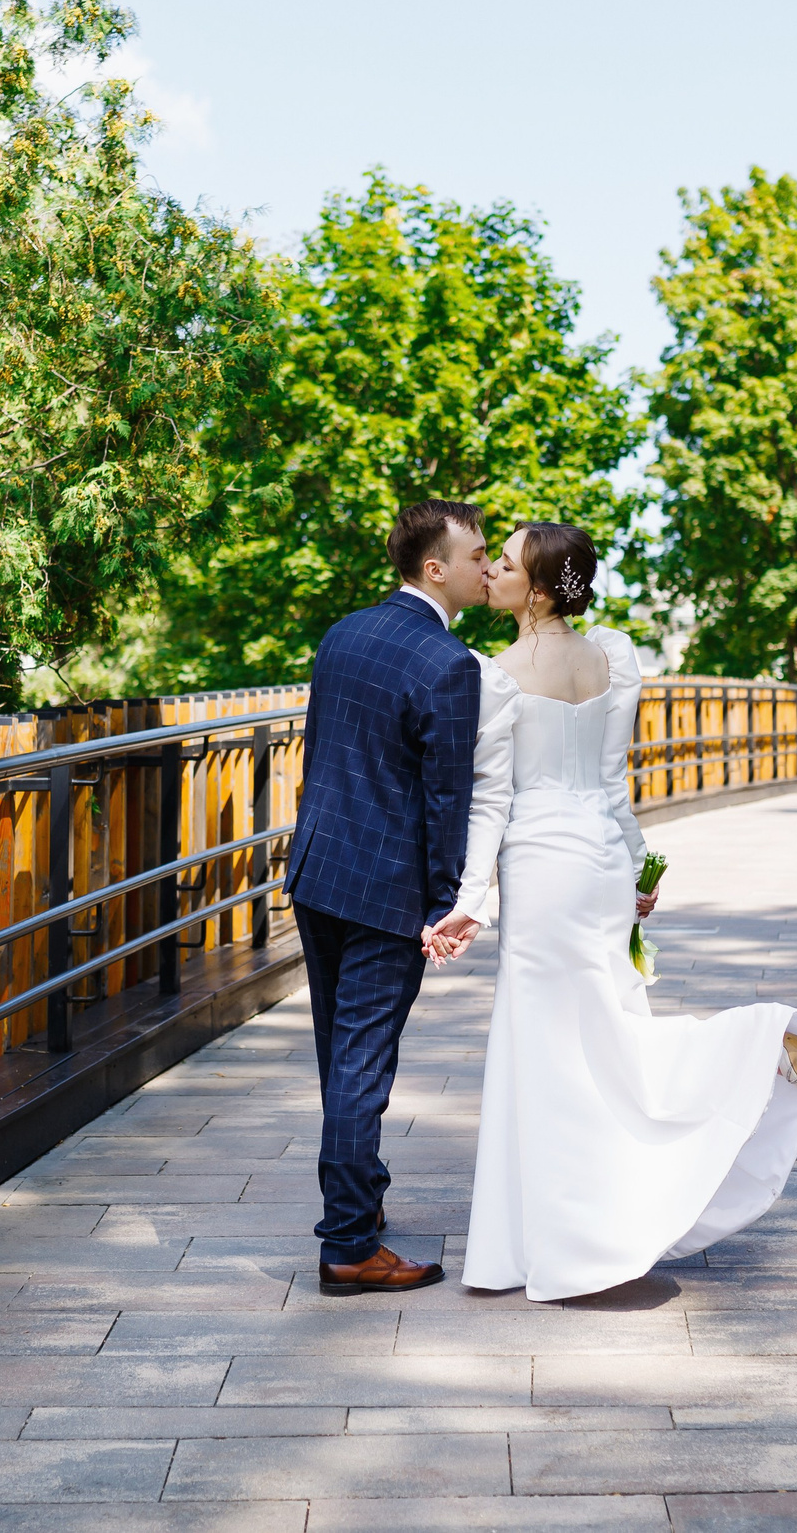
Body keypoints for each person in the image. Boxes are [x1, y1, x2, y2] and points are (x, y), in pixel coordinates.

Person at [426, 522, 797, 1302]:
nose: (491, 573)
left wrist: (470, 902)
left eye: (503, 564)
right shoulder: (613, 656)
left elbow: (493, 801)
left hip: (540, 869)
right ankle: (736, 1058)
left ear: (537, 589)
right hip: (602, 865)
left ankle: (557, 1239)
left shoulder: (493, 674)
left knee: (547, 1049)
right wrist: (638, 870)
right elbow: (614, 785)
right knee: (609, 1029)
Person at [283, 499, 490, 1294]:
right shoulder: (448, 663)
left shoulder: (343, 633)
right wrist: (444, 901)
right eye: (474, 554)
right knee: (364, 1060)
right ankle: (347, 1245)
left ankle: (357, 1205)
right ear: (433, 566)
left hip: (319, 869)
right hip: (384, 890)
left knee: (342, 1052)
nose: (484, 565)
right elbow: (446, 797)